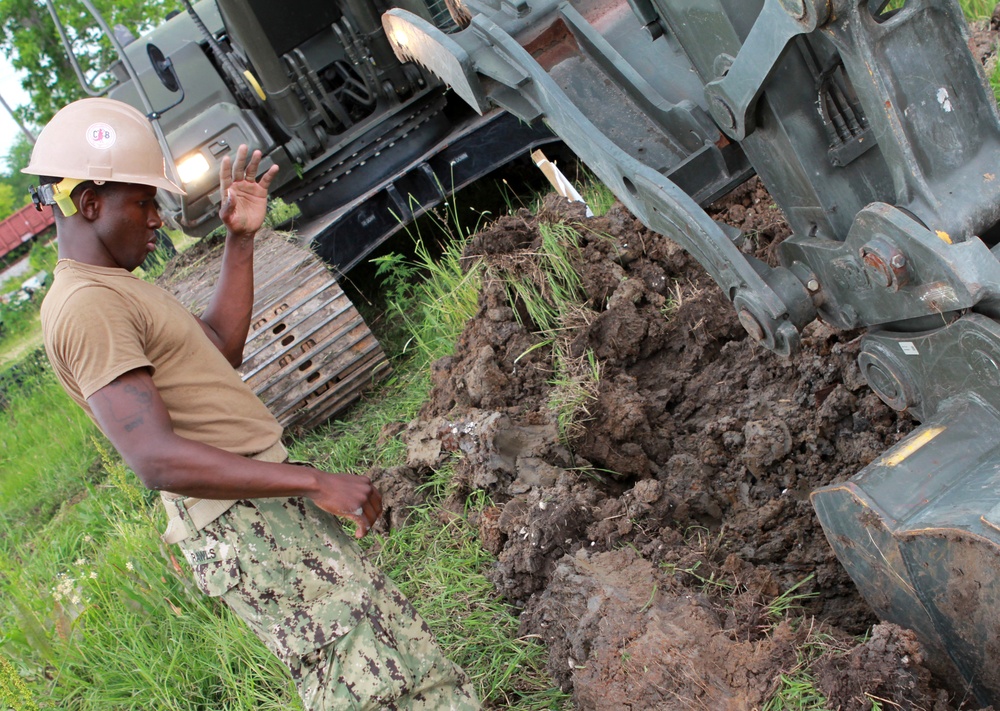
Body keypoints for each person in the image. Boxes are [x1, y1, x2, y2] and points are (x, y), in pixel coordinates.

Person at [28, 97, 480, 710]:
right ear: (89, 203)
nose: (157, 220)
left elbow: (217, 350)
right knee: (370, 686)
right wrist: (310, 479)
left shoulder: (115, 288)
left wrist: (239, 243)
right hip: (245, 522)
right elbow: (154, 458)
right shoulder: (87, 307)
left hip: (257, 506)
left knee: (397, 662)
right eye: (143, 203)